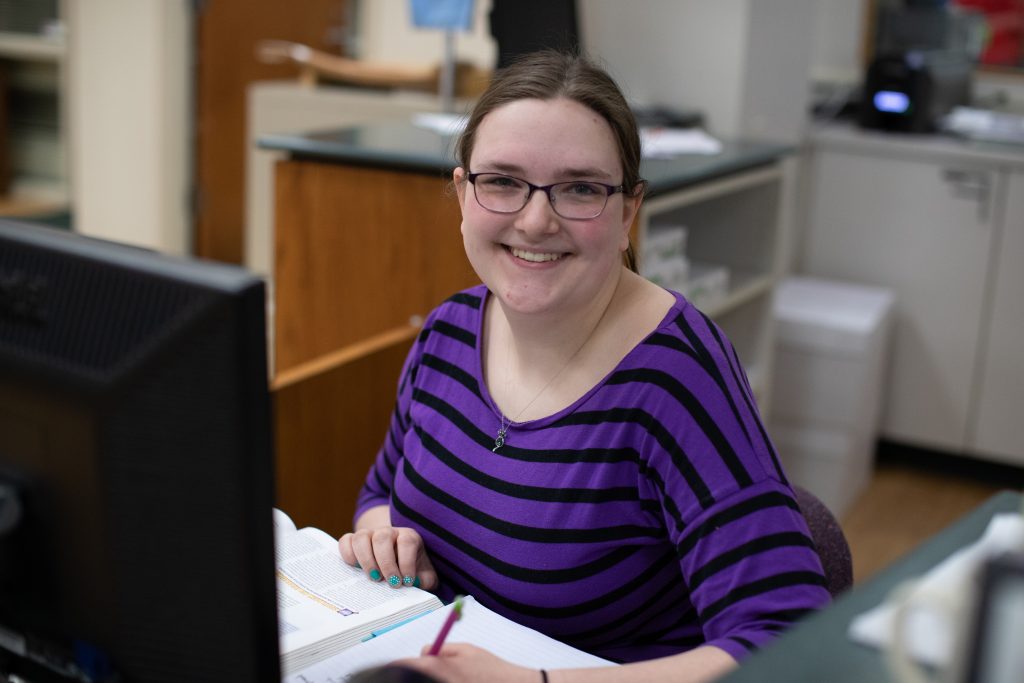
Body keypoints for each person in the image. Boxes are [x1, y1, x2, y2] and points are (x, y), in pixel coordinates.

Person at [339, 50, 830, 683]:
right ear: (463, 194)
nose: (536, 220)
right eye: (502, 181)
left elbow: (791, 643)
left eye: (580, 188)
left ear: (628, 213)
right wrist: (382, 534)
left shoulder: (675, 376)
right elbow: (380, 492)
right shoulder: (448, 331)